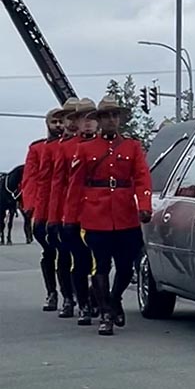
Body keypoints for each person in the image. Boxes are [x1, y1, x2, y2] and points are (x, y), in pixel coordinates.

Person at [64, 96, 153, 336]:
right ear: (99, 120)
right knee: (101, 265)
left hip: (125, 214)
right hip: (96, 214)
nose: (112, 120)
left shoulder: (132, 147)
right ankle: (105, 314)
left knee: (126, 266)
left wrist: (145, 205)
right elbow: (75, 185)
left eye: (115, 115)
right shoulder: (85, 149)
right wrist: (69, 219)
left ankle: (114, 299)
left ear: (120, 119)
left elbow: (142, 178)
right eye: (107, 116)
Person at [50, 98, 99, 326]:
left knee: (101, 261)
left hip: (101, 213)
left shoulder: (108, 145)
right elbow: (58, 184)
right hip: (74, 213)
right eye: (82, 119)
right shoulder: (66, 148)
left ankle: (98, 298)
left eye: (92, 118)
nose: (87, 123)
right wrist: (55, 218)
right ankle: (81, 303)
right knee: (77, 261)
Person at [35, 97, 79, 318]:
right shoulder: (45, 149)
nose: (62, 126)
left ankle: (84, 296)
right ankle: (60, 295)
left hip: (81, 208)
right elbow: (41, 183)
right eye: (57, 121)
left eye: (67, 120)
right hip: (55, 210)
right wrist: (37, 213)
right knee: (58, 254)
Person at [21, 107, 63, 312]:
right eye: (54, 122)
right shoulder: (37, 149)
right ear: (47, 124)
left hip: (67, 208)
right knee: (49, 252)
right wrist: (31, 207)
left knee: (70, 254)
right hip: (43, 211)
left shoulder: (75, 146)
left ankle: (72, 294)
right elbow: (30, 179)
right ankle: (52, 292)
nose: (58, 126)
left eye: (61, 121)